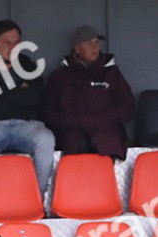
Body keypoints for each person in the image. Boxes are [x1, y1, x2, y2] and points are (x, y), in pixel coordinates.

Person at [0, 19, 55, 194]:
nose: (12, 46)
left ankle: (38, 197)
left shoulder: (28, 65)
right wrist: (19, 91)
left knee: (45, 138)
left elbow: (36, 98)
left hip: (27, 126)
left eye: (16, 42)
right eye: (7, 42)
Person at [44, 24, 136, 161]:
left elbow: (127, 106)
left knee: (105, 154)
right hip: (73, 136)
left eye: (96, 42)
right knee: (77, 158)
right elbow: (49, 112)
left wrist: (105, 119)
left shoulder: (111, 72)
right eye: (88, 43)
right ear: (77, 48)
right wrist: (72, 121)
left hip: (107, 134)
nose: (95, 47)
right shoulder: (60, 77)